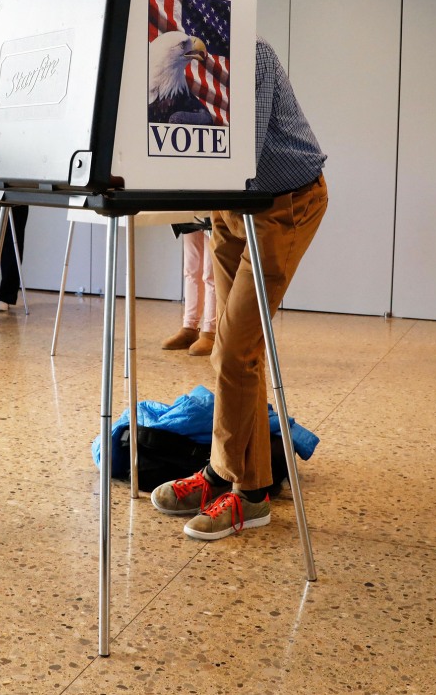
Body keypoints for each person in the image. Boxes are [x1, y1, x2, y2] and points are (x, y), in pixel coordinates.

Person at [151, 37, 328, 540]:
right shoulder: (172, 66)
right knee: (238, 355)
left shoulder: (251, 55)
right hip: (229, 207)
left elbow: (236, 147)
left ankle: (250, 497)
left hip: (283, 203)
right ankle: (221, 474)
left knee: (232, 351)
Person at [161, 223, 216, 356]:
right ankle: (189, 328)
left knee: (211, 273)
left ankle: (211, 332)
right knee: (192, 270)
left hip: (214, 209)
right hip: (192, 209)